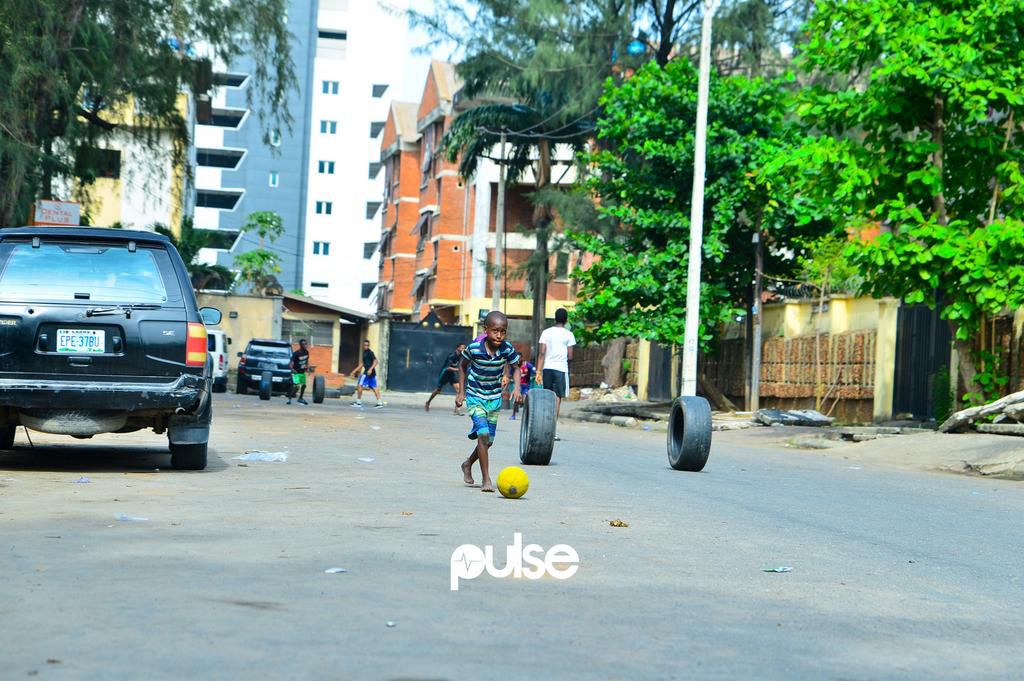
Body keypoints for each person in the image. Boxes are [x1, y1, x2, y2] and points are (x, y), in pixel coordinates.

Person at [456, 311, 522, 493]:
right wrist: (461, 392)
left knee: (488, 441)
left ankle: (467, 464)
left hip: (494, 399)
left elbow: (516, 367)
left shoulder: (507, 349)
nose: (499, 335)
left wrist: (516, 388)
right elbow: (462, 365)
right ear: (486, 330)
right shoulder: (475, 348)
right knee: (483, 435)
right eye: (495, 331)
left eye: (503, 331)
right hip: (475, 396)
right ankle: (486, 479)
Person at [535, 307, 576, 439]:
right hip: (560, 369)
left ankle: (543, 428)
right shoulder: (569, 334)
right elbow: (570, 356)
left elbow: (542, 353)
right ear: (566, 320)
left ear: (555, 318)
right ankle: (552, 431)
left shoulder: (546, 333)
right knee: (557, 398)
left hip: (547, 368)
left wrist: (538, 372)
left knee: (547, 397)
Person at [425, 342, 466, 414]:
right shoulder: (451, 356)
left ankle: (456, 410)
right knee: (438, 390)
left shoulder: (459, 356)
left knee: (459, 390)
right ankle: (428, 402)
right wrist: (459, 370)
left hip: (451, 375)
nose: (464, 349)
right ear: (458, 348)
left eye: (464, 348)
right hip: (445, 374)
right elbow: (448, 368)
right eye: (463, 348)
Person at [350, 339, 384, 408]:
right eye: (365, 345)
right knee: (374, 387)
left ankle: (358, 402)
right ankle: (380, 403)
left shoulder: (370, 352)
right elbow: (362, 363)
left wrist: (370, 369)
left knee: (360, 385)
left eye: (367, 345)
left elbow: (376, 361)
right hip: (371, 373)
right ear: (363, 346)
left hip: (368, 372)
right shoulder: (365, 353)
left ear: (369, 346)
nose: (366, 346)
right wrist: (354, 371)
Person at [510, 353, 535, 421]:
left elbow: (534, 371)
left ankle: (527, 416)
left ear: (522, 357)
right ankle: (513, 414)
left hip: (526, 386)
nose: (518, 360)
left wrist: (535, 374)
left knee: (525, 400)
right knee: (516, 399)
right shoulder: (515, 366)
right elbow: (510, 374)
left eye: (519, 358)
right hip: (518, 386)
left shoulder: (527, 365)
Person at [286, 338, 311, 405]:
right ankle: (289, 399)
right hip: (296, 372)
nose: (306, 345)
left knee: (304, 385)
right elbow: (290, 363)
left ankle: (300, 398)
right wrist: (292, 370)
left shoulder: (306, 352)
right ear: (301, 345)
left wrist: (308, 368)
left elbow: (307, 360)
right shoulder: (296, 353)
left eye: (306, 344)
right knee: (295, 386)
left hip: (302, 372)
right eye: (304, 344)